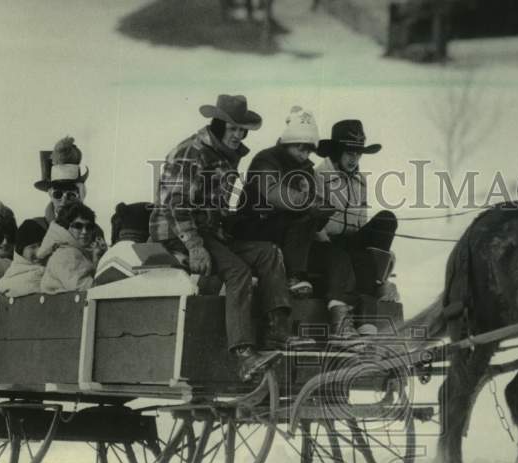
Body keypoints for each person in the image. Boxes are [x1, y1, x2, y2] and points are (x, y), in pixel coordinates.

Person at [149, 94, 312, 381]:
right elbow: (175, 203)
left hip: (212, 232)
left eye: (242, 130)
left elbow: (220, 208)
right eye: (232, 128)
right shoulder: (191, 152)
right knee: (237, 272)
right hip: (178, 232)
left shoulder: (225, 156)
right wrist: (194, 245)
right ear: (218, 124)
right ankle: (244, 355)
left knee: (268, 252)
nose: (238, 135)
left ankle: (278, 334)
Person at [312, 119, 398, 337]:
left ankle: (378, 282)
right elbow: (312, 219)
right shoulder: (318, 176)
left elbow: (362, 221)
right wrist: (327, 246)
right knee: (346, 257)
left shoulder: (360, 181)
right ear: (337, 151)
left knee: (387, 219)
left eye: (359, 154)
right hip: (326, 241)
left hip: (353, 241)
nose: (355, 159)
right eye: (350, 153)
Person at [235, 106, 331, 297]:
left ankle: (296, 276)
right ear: (287, 143)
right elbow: (271, 191)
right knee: (300, 219)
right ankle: (290, 276)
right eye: (300, 148)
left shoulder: (306, 170)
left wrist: (322, 210)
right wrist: (307, 202)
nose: (304, 154)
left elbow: (311, 207)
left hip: (284, 228)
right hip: (254, 224)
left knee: (309, 222)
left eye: (308, 150)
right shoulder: (266, 159)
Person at [32, 136, 107, 246]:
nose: (63, 201)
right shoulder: (36, 227)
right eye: (58, 194)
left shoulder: (94, 231)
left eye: (71, 195)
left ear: (80, 195)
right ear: (50, 194)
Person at [39, 202, 105, 294]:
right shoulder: (66, 254)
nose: (84, 232)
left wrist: (95, 260)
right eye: (78, 226)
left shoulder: (74, 251)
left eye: (89, 227)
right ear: (66, 227)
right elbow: (83, 287)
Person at [0, 219, 48, 297]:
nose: (39, 251)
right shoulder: (15, 269)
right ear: (21, 250)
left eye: (41, 245)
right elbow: (2, 285)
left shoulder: (50, 264)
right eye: (32, 247)